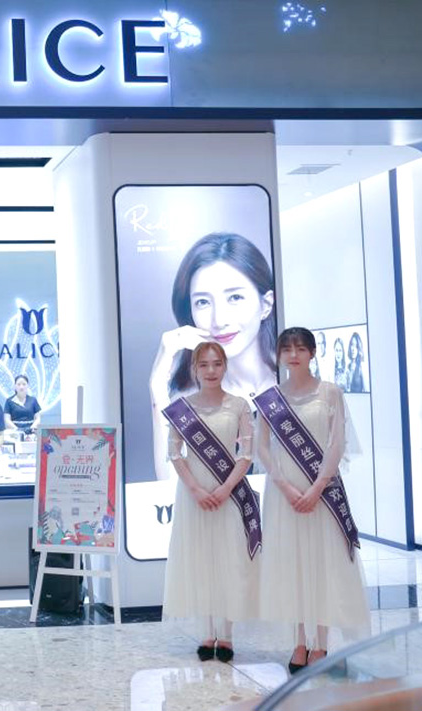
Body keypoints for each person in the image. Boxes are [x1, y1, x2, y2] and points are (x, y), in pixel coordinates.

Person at [255, 327, 369, 673]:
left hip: (322, 491)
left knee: (323, 563)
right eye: (287, 349)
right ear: (279, 355)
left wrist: (318, 486)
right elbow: (262, 447)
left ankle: (321, 644)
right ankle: (299, 642)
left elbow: (337, 444)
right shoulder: (270, 398)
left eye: (301, 348)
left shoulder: (330, 393)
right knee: (291, 565)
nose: (294, 355)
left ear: (312, 353)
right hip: (283, 495)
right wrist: (286, 486)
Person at [150, 232, 276, 480]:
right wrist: (156, 388)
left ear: (266, 305)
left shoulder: (297, 383)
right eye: (203, 302)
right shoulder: (187, 399)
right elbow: (170, 486)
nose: (219, 320)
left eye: (235, 297)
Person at [162, 342, 259, 663]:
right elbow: (175, 453)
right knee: (200, 559)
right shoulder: (182, 408)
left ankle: (226, 635)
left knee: (229, 559)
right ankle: (206, 632)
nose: (211, 370)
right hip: (194, 496)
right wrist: (195, 489)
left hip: (229, 494)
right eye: (203, 365)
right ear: (194, 369)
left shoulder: (239, 405)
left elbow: (246, 454)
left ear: (225, 366)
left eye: (217, 364)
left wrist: (226, 487)